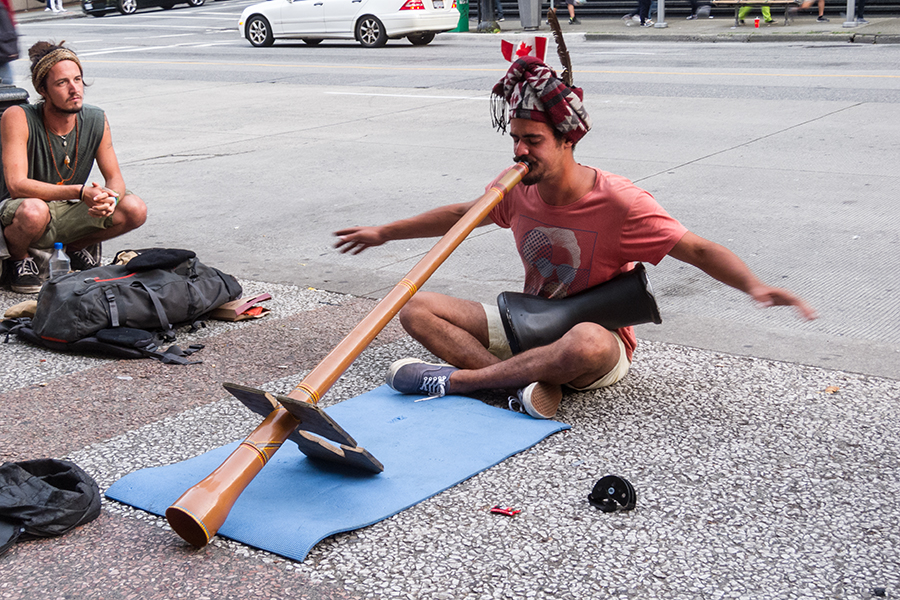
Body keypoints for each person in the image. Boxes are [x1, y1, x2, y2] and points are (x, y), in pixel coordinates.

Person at [334, 56, 816, 420]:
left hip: (593, 341)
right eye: (515, 139)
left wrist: (754, 286)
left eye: (533, 140)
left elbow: (698, 249)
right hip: (527, 321)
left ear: (569, 140)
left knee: (586, 341)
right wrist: (384, 233)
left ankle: (462, 383)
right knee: (417, 308)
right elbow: (462, 214)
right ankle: (512, 390)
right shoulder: (517, 188)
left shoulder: (620, 202)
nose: (521, 151)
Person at [0, 41, 147, 294]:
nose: (74, 89)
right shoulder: (18, 116)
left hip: (68, 207)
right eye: (62, 83)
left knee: (134, 208)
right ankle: (20, 260)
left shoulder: (96, 118)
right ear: (42, 89)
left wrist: (110, 199)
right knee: (34, 211)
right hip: (25, 206)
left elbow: (115, 178)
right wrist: (80, 192)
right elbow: (16, 185)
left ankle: (73, 249)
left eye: (77, 79)